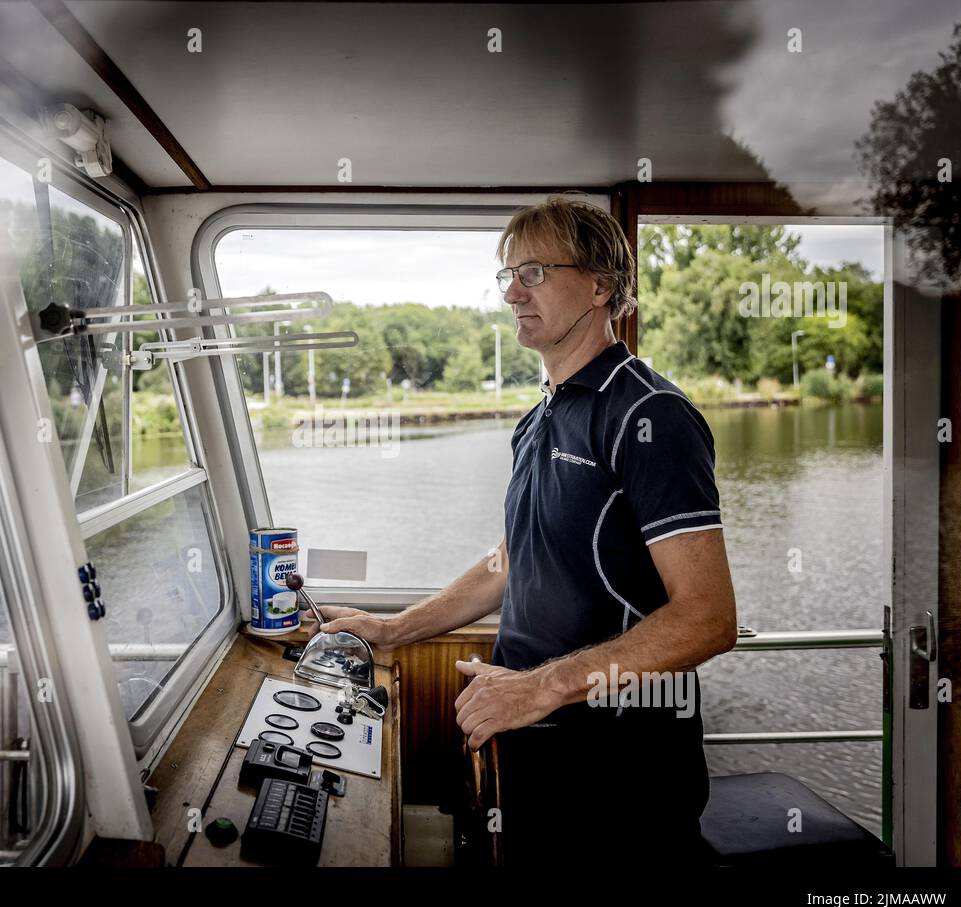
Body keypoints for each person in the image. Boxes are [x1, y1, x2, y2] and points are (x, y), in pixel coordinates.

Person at [307, 195, 737, 864]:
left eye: (533, 272)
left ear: (600, 284)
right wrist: (394, 627)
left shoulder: (651, 417)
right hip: (530, 743)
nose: (511, 291)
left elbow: (709, 617)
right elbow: (510, 563)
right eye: (507, 273)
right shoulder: (537, 421)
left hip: (621, 780)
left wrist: (541, 685)